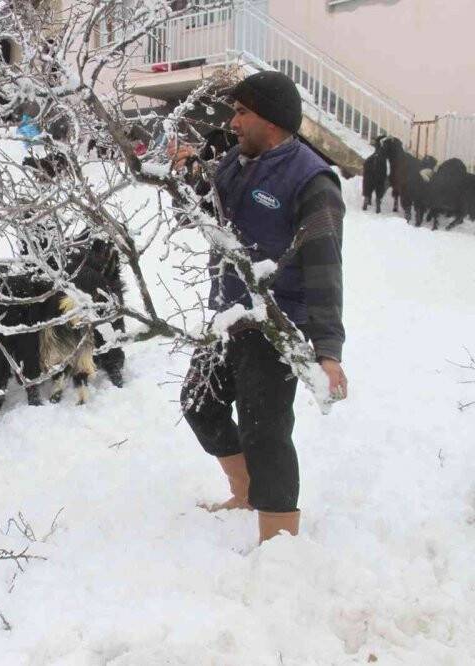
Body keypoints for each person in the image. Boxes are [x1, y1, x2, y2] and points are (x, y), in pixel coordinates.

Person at [175, 71, 349, 544]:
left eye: (241, 112)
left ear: (269, 120)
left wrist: (327, 349)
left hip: (275, 323)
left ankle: (279, 544)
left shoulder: (313, 181)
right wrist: (187, 178)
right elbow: (207, 213)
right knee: (199, 403)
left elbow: (325, 270)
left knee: (265, 432)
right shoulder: (237, 161)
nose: (232, 122)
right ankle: (246, 491)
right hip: (229, 316)